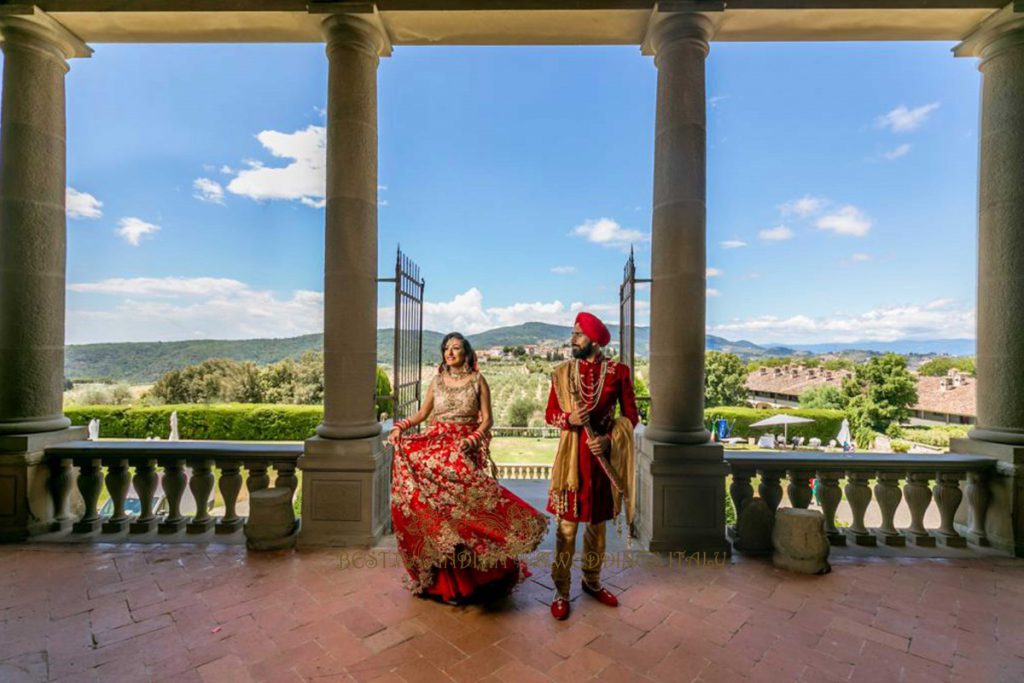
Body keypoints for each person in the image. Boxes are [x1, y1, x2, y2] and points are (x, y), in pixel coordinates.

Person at [388, 332, 547, 604]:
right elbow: (422, 414)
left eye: (456, 348)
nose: (450, 352)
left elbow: (487, 420)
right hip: (436, 446)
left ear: (466, 353)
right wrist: (400, 427)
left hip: (464, 448)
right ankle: (447, 584)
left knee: (467, 511)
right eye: (446, 348)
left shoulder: (477, 381)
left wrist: (471, 439)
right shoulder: (436, 381)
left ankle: (482, 576)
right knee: (442, 514)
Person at [546, 312, 639, 620]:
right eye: (573, 334)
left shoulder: (618, 373)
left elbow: (631, 416)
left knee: (597, 526)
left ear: (595, 341)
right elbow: (550, 414)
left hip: (601, 461)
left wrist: (611, 440)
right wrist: (567, 419)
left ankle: (592, 580)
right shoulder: (561, 373)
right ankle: (561, 589)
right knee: (567, 528)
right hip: (572, 460)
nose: (573, 339)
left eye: (578, 335)